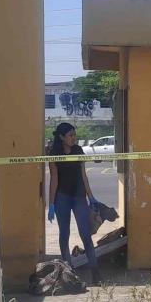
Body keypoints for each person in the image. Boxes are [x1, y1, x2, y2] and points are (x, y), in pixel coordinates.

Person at [47, 122, 102, 285]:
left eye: (74, 135)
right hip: (62, 197)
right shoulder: (54, 153)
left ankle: (96, 274)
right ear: (62, 137)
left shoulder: (78, 151)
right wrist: (51, 204)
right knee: (64, 234)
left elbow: (84, 176)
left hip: (79, 197)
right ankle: (68, 273)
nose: (73, 138)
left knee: (85, 235)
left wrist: (91, 197)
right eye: (70, 135)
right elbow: (54, 180)